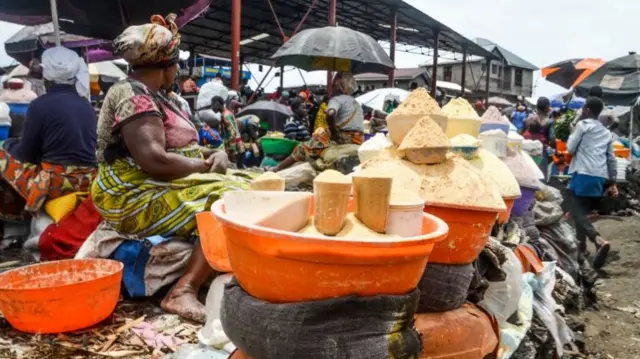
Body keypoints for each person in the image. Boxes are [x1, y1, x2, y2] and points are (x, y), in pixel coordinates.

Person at [92, 14, 253, 322]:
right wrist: (206, 169)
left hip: (159, 180)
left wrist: (215, 154)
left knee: (253, 182)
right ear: (166, 66)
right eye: (176, 64)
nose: (178, 70)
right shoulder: (131, 94)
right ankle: (182, 290)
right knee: (230, 199)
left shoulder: (165, 98)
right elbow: (155, 160)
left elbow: (182, 147)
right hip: (129, 190)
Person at [0, 47, 96, 222]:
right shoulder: (86, 105)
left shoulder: (39, 105)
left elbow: (25, 154)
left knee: (1, 155)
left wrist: (8, 145)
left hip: (56, 184)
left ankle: (13, 220)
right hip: (87, 181)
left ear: (46, 76)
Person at [565, 97, 617, 269]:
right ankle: (583, 249)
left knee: (573, 207)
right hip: (599, 177)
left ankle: (597, 239)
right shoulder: (606, 132)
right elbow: (611, 158)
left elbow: (570, 149)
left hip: (584, 173)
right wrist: (612, 181)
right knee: (582, 210)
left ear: (586, 110)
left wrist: (573, 131)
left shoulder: (583, 126)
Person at [273, 73, 364, 172]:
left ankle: (276, 169)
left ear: (339, 87)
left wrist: (334, 133)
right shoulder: (356, 103)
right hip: (358, 139)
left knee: (302, 148)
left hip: (342, 138)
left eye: (333, 85)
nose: (332, 88)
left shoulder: (336, 99)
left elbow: (330, 113)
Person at [211, 95, 244, 160]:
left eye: (212, 105)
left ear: (217, 104)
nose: (212, 107)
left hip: (234, 147)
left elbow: (232, 133)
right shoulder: (224, 113)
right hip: (232, 145)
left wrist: (231, 150)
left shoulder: (226, 115)